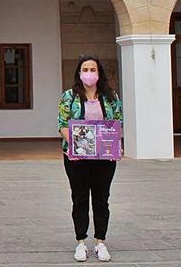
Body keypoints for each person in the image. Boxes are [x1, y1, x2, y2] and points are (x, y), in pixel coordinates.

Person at [58, 55, 123, 262]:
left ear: (99, 73)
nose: (89, 73)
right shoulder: (69, 96)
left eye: (92, 69)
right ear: (79, 73)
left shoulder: (110, 96)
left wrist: (115, 146)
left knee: (102, 198)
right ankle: (81, 242)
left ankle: (100, 242)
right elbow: (62, 123)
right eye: (85, 69)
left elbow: (117, 123)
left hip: (104, 157)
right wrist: (75, 146)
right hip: (77, 158)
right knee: (79, 198)